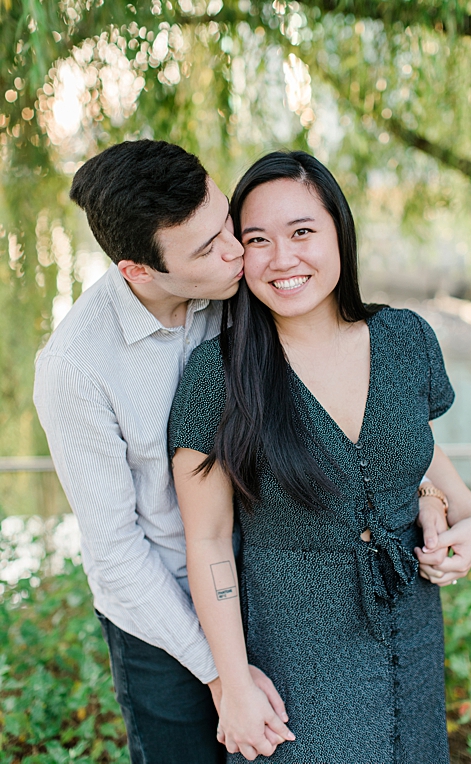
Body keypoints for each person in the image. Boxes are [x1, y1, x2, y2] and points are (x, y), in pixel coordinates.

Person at [32, 140, 449, 764]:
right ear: (138, 271)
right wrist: (225, 676)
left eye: (226, 223)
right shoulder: (77, 369)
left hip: (271, 583)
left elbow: (360, 415)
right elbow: (118, 556)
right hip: (163, 608)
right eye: (209, 248)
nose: (236, 252)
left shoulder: (239, 291)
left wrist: (427, 493)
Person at [168, 150, 471, 763]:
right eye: (257, 239)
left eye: (302, 232)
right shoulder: (218, 376)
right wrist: (233, 685)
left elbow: (414, 452)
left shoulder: (405, 339)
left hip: (410, 629)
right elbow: (207, 541)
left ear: (339, 233)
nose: (282, 259)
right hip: (296, 660)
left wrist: (466, 517)